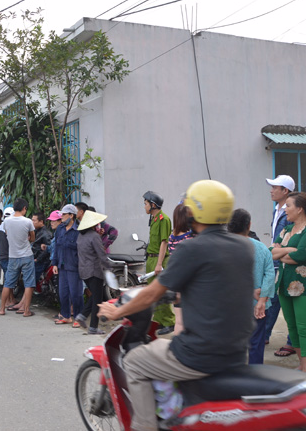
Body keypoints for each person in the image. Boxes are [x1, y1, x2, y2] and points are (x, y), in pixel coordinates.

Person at [99, 180, 254, 431]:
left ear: (196, 211)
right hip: (237, 352)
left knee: (134, 362)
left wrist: (116, 311)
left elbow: (150, 295)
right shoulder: (244, 247)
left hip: (199, 353)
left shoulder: (192, 247)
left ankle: (144, 426)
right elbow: (215, 287)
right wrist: (180, 295)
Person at [271, 192, 306, 374]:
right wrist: (289, 250)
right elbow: (271, 251)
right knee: (292, 327)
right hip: (285, 283)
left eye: (288, 206)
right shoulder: (286, 230)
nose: (285, 209)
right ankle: (302, 365)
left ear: (299, 209)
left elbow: (301, 256)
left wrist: (283, 253)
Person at [227, 208, 275, 364]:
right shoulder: (262, 248)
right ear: (249, 225)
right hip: (257, 307)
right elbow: (270, 274)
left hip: (232, 306)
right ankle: (255, 376)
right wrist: (262, 300)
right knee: (256, 344)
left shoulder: (225, 248)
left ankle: (234, 375)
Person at [264, 174, 296, 357]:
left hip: (285, 260)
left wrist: (277, 251)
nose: (271, 190)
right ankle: (265, 334)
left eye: (275, 187)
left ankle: (291, 342)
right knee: (273, 299)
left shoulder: (291, 212)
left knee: (286, 300)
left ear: (285, 191)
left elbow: (285, 241)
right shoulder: (276, 209)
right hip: (275, 259)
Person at [74, 210, 111, 335]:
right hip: (95, 271)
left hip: (83, 270)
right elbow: (102, 255)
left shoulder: (81, 236)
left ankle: (82, 316)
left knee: (95, 296)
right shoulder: (94, 236)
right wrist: (109, 269)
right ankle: (93, 327)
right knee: (97, 300)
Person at [143, 190, 174, 335]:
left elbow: (164, 243)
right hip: (151, 258)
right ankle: (160, 321)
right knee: (153, 292)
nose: (144, 206)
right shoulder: (154, 220)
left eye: (145, 203)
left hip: (159, 259)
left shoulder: (164, 219)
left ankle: (169, 322)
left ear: (153, 205)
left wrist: (159, 264)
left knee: (161, 291)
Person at [0, 199, 35, 317]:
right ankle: (26, 311)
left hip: (12, 256)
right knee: (29, 283)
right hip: (27, 256)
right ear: (24, 208)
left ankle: (2, 309)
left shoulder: (7, 221)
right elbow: (32, 238)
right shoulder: (28, 222)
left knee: (8, 283)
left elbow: (8, 234)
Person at [166, 204, 194, 335]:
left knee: (179, 321)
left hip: (176, 282)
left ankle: (178, 349)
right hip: (189, 283)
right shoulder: (190, 237)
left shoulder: (172, 237)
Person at [52, 204, 81, 325]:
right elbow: (56, 246)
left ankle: (79, 318)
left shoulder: (79, 230)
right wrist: (54, 263)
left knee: (76, 293)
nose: (62, 217)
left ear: (71, 215)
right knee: (63, 292)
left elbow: (81, 249)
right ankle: (65, 315)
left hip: (74, 265)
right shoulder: (60, 229)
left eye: (64, 214)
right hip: (62, 264)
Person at [31, 212, 52, 283]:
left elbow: (47, 249)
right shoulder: (36, 231)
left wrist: (38, 259)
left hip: (41, 261)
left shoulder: (46, 234)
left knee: (32, 281)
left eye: (34, 220)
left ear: (41, 222)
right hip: (34, 258)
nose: (32, 222)